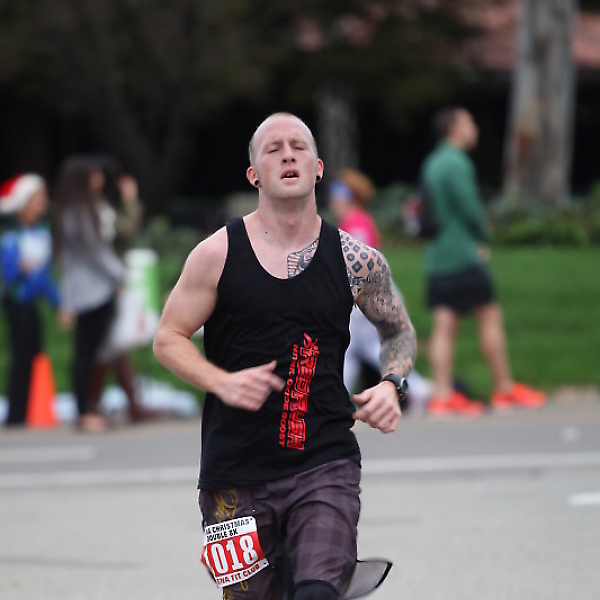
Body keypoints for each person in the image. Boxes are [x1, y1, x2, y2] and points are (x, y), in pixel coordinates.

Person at [153, 112, 416, 600]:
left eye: (299, 146)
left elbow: (397, 331)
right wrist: (221, 381)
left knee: (316, 593)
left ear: (318, 168)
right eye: (273, 149)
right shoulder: (216, 254)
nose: (288, 154)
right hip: (233, 474)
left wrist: (390, 384)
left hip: (324, 462)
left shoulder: (357, 260)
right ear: (254, 174)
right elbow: (168, 337)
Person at [421, 107, 546, 416]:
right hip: (462, 252)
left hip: (438, 256)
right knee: (489, 315)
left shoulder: (433, 162)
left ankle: (442, 395)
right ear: (453, 128)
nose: (474, 128)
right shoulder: (456, 162)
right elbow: (469, 206)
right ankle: (504, 388)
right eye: (469, 122)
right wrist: (483, 236)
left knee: (444, 324)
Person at [328, 168, 433, 412]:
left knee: (363, 349)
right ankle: (334, 403)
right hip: (363, 296)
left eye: (337, 195)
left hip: (366, 296)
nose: (333, 201)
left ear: (348, 197)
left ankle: (418, 390)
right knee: (355, 351)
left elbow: (359, 267)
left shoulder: (356, 223)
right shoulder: (354, 221)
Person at [87, 154, 161, 423]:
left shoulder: (100, 205)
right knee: (105, 346)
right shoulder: (96, 207)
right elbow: (125, 231)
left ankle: (120, 404)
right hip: (102, 284)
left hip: (108, 282)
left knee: (114, 345)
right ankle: (94, 405)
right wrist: (131, 201)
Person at [54, 156, 125, 432]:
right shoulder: (79, 213)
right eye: (95, 175)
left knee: (90, 353)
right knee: (87, 354)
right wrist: (121, 275)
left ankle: (88, 408)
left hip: (87, 291)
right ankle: (84, 412)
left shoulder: (69, 211)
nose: (100, 179)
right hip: (93, 292)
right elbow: (97, 252)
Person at [0, 174, 62, 426]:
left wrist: (58, 303)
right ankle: (16, 413)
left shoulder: (43, 235)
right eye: (37, 200)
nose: (41, 205)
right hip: (16, 302)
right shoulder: (11, 237)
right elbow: (10, 273)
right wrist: (19, 268)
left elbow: (45, 277)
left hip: (32, 302)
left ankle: (30, 408)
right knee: (21, 354)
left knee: (35, 352)